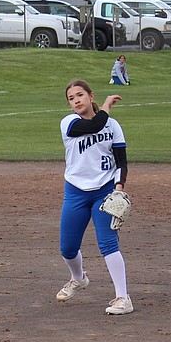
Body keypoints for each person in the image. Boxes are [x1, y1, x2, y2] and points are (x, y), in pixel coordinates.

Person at [55, 80, 133, 316]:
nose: (76, 100)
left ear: (90, 96)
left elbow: (121, 161)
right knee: (67, 248)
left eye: (80, 95)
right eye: (71, 98)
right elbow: (94, 126)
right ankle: (78, 278)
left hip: (104, 190)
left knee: (108, 243)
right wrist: (107, 106)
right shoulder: (69, 123)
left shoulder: (113, 126)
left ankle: (123, 297)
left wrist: (118, 188)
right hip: (76, 191)